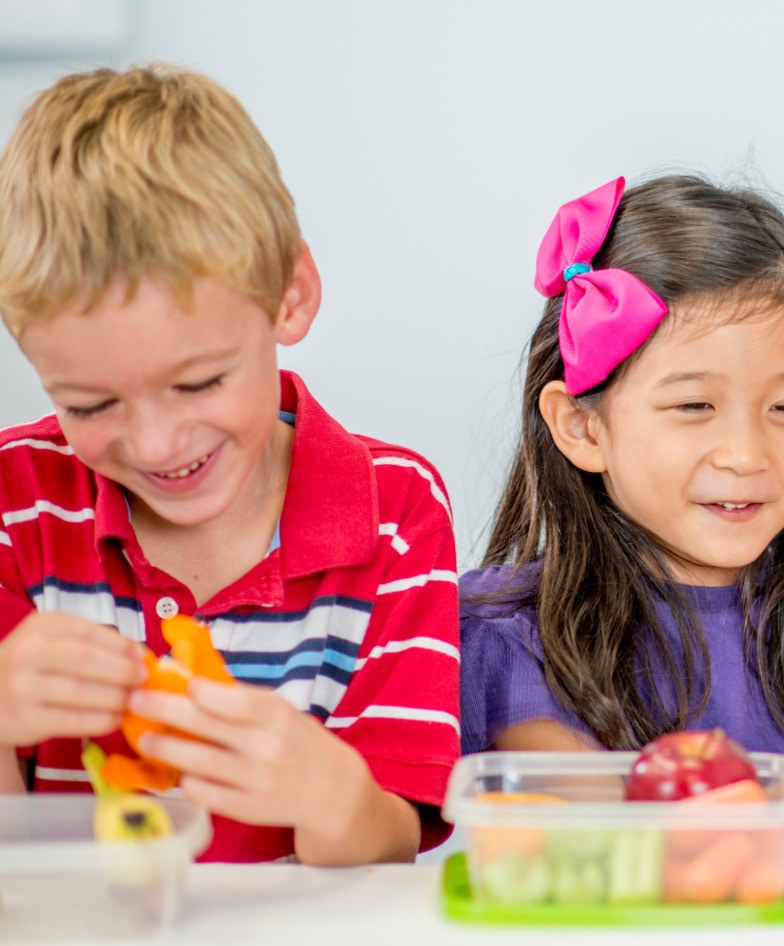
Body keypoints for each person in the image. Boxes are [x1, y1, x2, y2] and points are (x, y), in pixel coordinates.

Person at [0, 64, 460, 864]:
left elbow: (392, 841)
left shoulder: (396, 509)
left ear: (290, 295)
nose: (154, 444)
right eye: (90, 404)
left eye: (198, 383)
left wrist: (329, 791)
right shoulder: (17, 502)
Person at [460, 175, 784, 881]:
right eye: (694, 406)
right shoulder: (513, 641)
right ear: (582, 426)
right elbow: (587, 840)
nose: (748, 454)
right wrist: (783, 823)